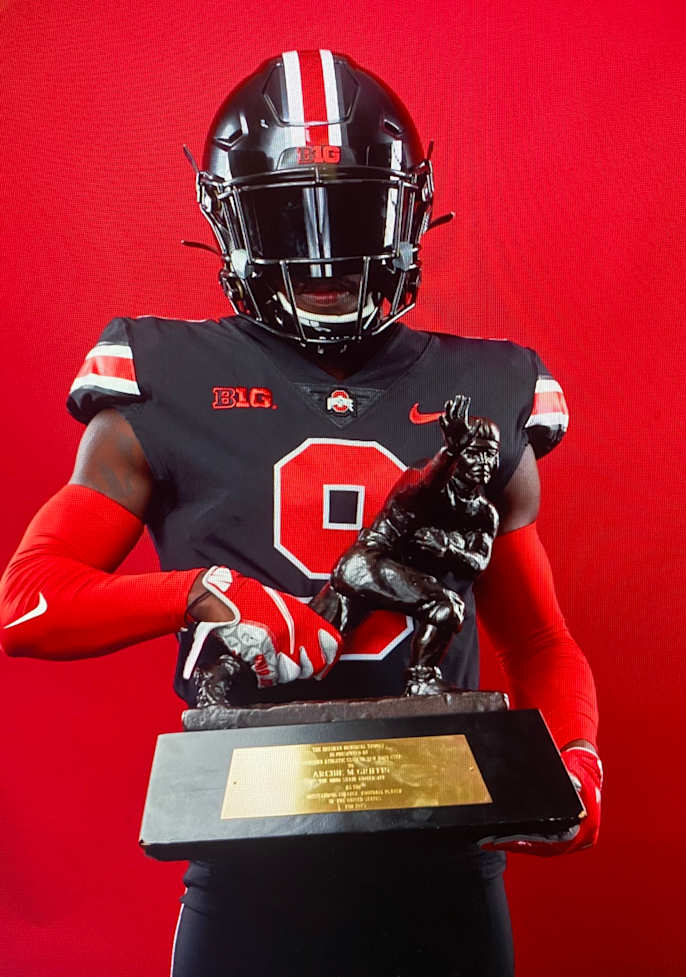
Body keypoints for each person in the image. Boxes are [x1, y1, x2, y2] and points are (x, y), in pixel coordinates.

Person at [0, 50, 601, 977]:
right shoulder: (161, 377)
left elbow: (541, 638)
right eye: (292, 214)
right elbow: (28, 602)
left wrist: (577, 755)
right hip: (251, 866)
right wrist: (204, 592)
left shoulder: (489, 388)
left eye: (354, 211)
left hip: (446, 858)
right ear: (234, 221)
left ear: (407, 212)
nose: (325, 254)